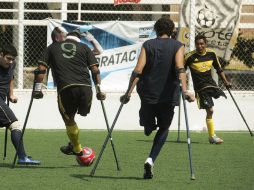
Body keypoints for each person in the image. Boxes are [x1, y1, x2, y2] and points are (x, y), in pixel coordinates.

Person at [120, 17, 195, 179]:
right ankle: (150, 159)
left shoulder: (148, 45)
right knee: (164, 127)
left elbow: (138, 70)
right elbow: (179, 67)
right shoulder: (178, 45)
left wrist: (128, 93)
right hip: (168, 95)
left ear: (156, 29)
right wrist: (184, 90)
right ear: (172, 31)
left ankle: (147, 123)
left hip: (147, 92)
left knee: (147, 126)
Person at [34, 30, 106, 158]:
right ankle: (72, 144)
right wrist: (99, 89)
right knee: (81, 114)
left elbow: (41, 69)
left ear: (67, 37)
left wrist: (37, 89)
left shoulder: (52, 47)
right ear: (79, 39)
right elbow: (95, 69)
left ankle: (77, 149)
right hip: (86, 89)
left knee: (68, 119)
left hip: (66, 88)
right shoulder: (84, 47)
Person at [184, 34, 232, 144]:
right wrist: (183, 87)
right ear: (195, 45)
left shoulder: (211, 54)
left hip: (211, 85)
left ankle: (211, 136)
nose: (200, 46)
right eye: (197, 44)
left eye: (202, 44)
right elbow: (181, 70)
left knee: (212, 107)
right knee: (210, 110)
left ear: (206, 44)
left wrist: (226, 82)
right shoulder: (189, 57)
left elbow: (219, 69)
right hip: (200, 88)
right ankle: (212, 136)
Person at [0, 44, 40, 165]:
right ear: (1, 54)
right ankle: (22, 157)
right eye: (8, 58)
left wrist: (10, 94)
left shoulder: (12, 65)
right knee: (15, 125)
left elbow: (11, 78)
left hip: (2, 99)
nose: (11, 61)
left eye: (13, 59)